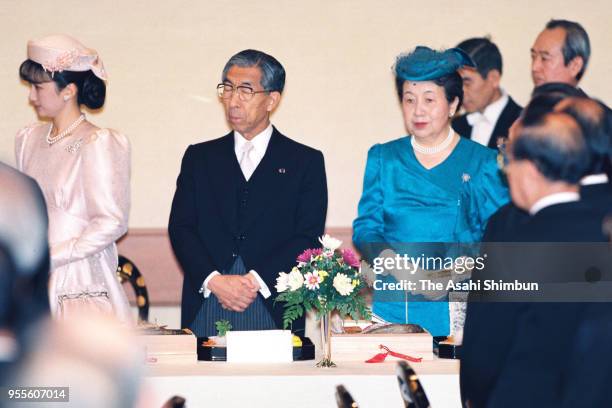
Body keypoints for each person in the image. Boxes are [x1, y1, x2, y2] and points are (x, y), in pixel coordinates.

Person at [169, 49, 327, 337]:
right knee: (201, 382)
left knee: (273, 383)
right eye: (227, 89)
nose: (232, 100)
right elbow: (181, 228)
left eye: (245, 90)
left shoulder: (305, 161)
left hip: (272, 304)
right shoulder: (199, 157)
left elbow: (307, 236)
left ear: (272, 99)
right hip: (207, 299)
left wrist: (253, 281)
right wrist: (215, 281)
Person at [352, 46, 508, 336]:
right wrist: (398, 267)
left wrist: (448, 276)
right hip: (394, 305)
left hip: (458, 305)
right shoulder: (383, 158)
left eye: (429, 99)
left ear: (452, 104)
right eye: (409, 100)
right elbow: (366, 228)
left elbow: (499, 235)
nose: (418, 110)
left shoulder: (483, 163)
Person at [461, 112, 610, 407]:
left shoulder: (513, 242)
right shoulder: (603, 231)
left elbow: (484, 350)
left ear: (529, 169)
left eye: (508, 160)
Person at [15, 34, 131, 324]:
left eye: (38, 87)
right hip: (33, 278)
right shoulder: (28, 139)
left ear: (68, 90)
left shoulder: (98, 142)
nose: (31, 96)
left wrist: (54, 256)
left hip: (77, 278)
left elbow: (111, 221)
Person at [452, 37, 522, 148]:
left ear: (493, 78)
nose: (460, 92)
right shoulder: (454, 127)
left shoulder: (524, 124)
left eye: (467, 82)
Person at [531, 19, 590, 88]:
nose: (534, 67)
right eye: (533, 56)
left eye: (544, 58)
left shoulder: (582, 99)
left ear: (575, 66)